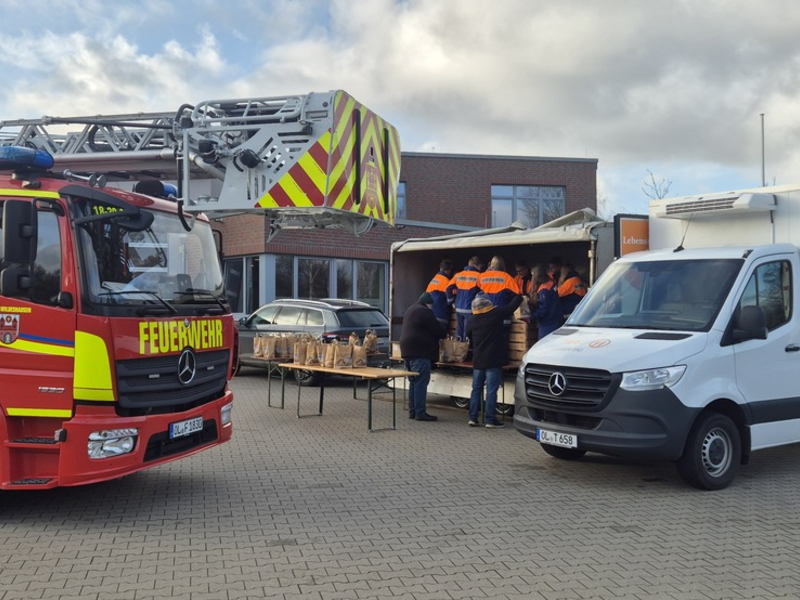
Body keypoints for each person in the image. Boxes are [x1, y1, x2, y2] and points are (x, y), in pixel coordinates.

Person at [466, 293, 522, 429]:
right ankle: (490, 420)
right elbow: (511, 308)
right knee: (491, 390)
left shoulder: (472, 320)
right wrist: (519, 295)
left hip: (478, 360)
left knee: (476, 389)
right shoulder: (495, 314)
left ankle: (473, 418)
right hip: (493, 359)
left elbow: (468, 336)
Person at [399, 292, 447, 421]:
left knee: (413, 383)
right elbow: (439, 331)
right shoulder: (425, 312)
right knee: (420, 383)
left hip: (406, 351)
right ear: (429, 304)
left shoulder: (411, 309)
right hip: (420, 352)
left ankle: (412, 411)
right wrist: (444, 331)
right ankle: (420, 413)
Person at [478, 255, 522, 362]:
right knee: (502, 342)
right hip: (502, 317)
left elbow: (476, 294)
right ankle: (501, 364)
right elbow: (518, 296)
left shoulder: (482, 277)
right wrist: (508, 310)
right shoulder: (507, 278)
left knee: (487, 342)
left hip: (485, 317)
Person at [446, 256, 484, 340]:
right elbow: (484, 291)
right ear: (476, 265)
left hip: (459, 308)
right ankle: (465, 351)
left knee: (459, 333)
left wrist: (451, 301)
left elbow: (448, 288)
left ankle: (458, 351)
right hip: (470, 309)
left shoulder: (458, 275)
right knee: (467, 334)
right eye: (480, 266)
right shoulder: (479, 276)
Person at [530, 264, 562, 340]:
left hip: (547, 324)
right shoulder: (551, 283)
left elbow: (543, 310)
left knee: (544, 347)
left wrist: (531, 318)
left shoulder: (544, 290)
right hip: (556, 320)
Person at [426, 259, 454, 327]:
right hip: (440, 313)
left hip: (431, 313)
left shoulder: (434, 279)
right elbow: (449, 299)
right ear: (449, 271)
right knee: (440, 334)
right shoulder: (446, 281)